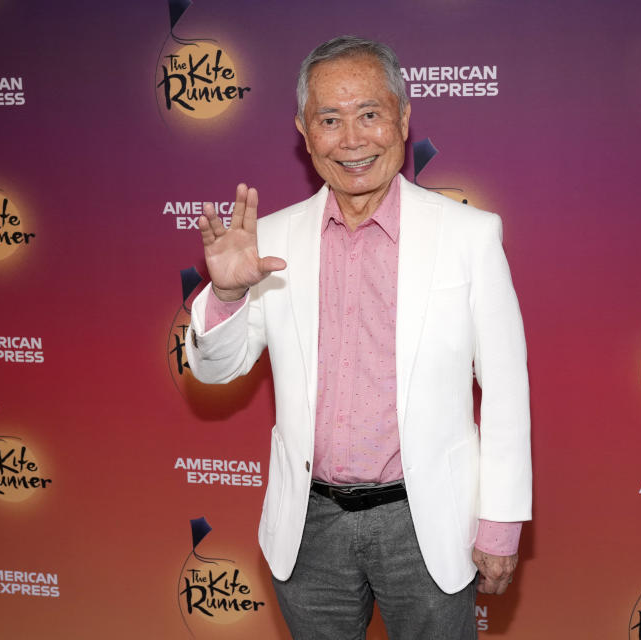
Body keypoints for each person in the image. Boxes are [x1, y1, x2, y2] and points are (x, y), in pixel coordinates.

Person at [185, 35, 531, 639]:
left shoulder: (469, 235)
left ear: (402, 117)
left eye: (370, 114)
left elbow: (505, 390)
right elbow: (216, 370)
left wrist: (500, 522)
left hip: (425, 524)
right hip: (308, 526)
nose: (352, 140)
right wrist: (229, 294)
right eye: (329, 120)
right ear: (303, 130)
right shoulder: (270, 239)